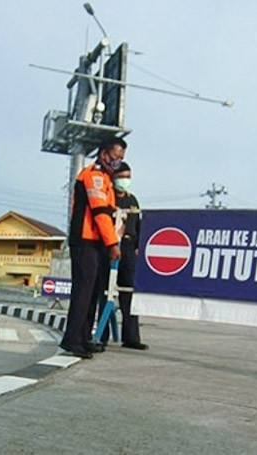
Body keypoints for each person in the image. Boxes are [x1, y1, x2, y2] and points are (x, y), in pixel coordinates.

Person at [60, 137, 126, 359]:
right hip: (85, 240)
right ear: (104, 154)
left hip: (96, 242)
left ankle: (84, 337)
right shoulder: (94, 176)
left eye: (121, 159)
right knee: (83, 291)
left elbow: (109, 215)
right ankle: (72, 340)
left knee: (93, 291)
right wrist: (112, 244)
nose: (118, 162)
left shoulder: (106, 179)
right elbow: (100, 214)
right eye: (116, 157)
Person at [94, 162, 148, 350]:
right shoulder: (107, 198)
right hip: (109, 248)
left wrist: (138, 246)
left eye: (128, 177)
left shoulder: (133, 200)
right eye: (121, 177)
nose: (125, 181)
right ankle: (102, 336)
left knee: (129, 294)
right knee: (105, 292)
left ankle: (131, 337)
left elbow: (139, 225)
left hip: (128, 249)